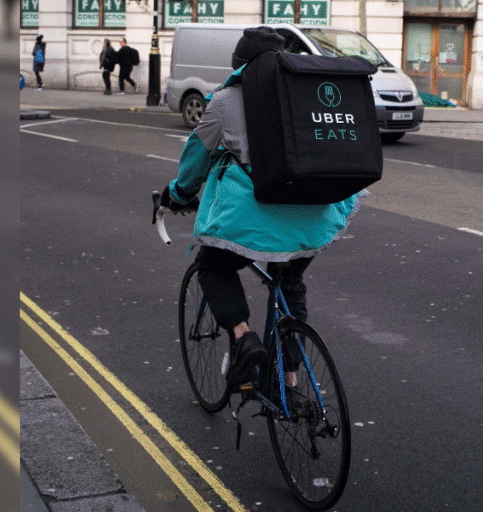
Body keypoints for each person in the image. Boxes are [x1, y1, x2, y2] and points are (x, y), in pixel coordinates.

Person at [157, 27, 368, 387]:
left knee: (211, 264)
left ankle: (243, 338)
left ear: (239, 66)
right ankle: (291, 382)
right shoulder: (306, 91)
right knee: (290, 281)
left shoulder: (225, 100)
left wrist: (177, 195)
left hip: (260, 217)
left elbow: (197, 159)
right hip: (316, 213)